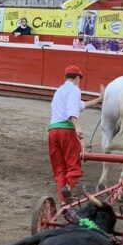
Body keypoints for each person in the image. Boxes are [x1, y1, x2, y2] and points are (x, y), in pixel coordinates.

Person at [48, 66, 103, 203]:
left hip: (52, 131)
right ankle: (68, 187)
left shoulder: (59, 91)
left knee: (59, 169)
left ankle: (62, 201)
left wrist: (98, 99)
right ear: (77, 78)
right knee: (74, 167)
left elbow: (80, 105)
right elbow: (72, 112)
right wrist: (78, 128)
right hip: (66, 131)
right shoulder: (75, 90)